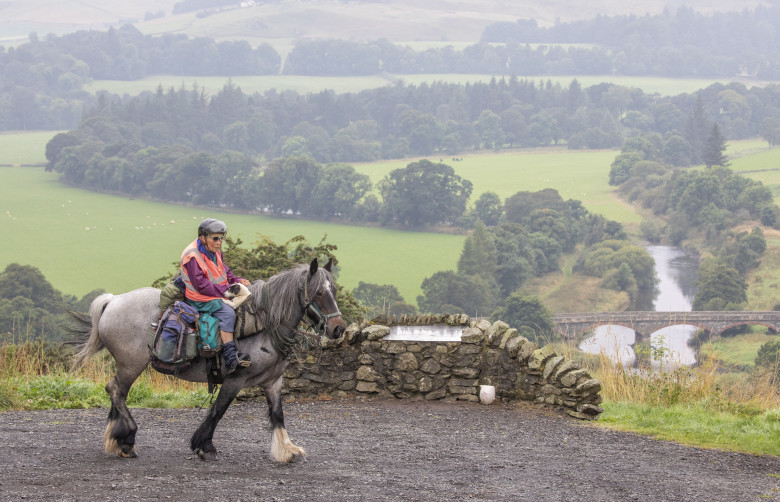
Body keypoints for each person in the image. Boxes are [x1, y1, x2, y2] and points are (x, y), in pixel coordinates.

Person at [180, 218, 251, 373]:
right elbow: (201, 285)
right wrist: (228, 291)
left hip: (216, 293)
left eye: (221, 238)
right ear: (203, 238)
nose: (219, 242)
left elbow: (224, 272)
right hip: (200, 299)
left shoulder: (215, 252)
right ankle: (231, 358)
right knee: (228, 314)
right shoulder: (192, 256)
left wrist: (237, 280)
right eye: (215, 238)